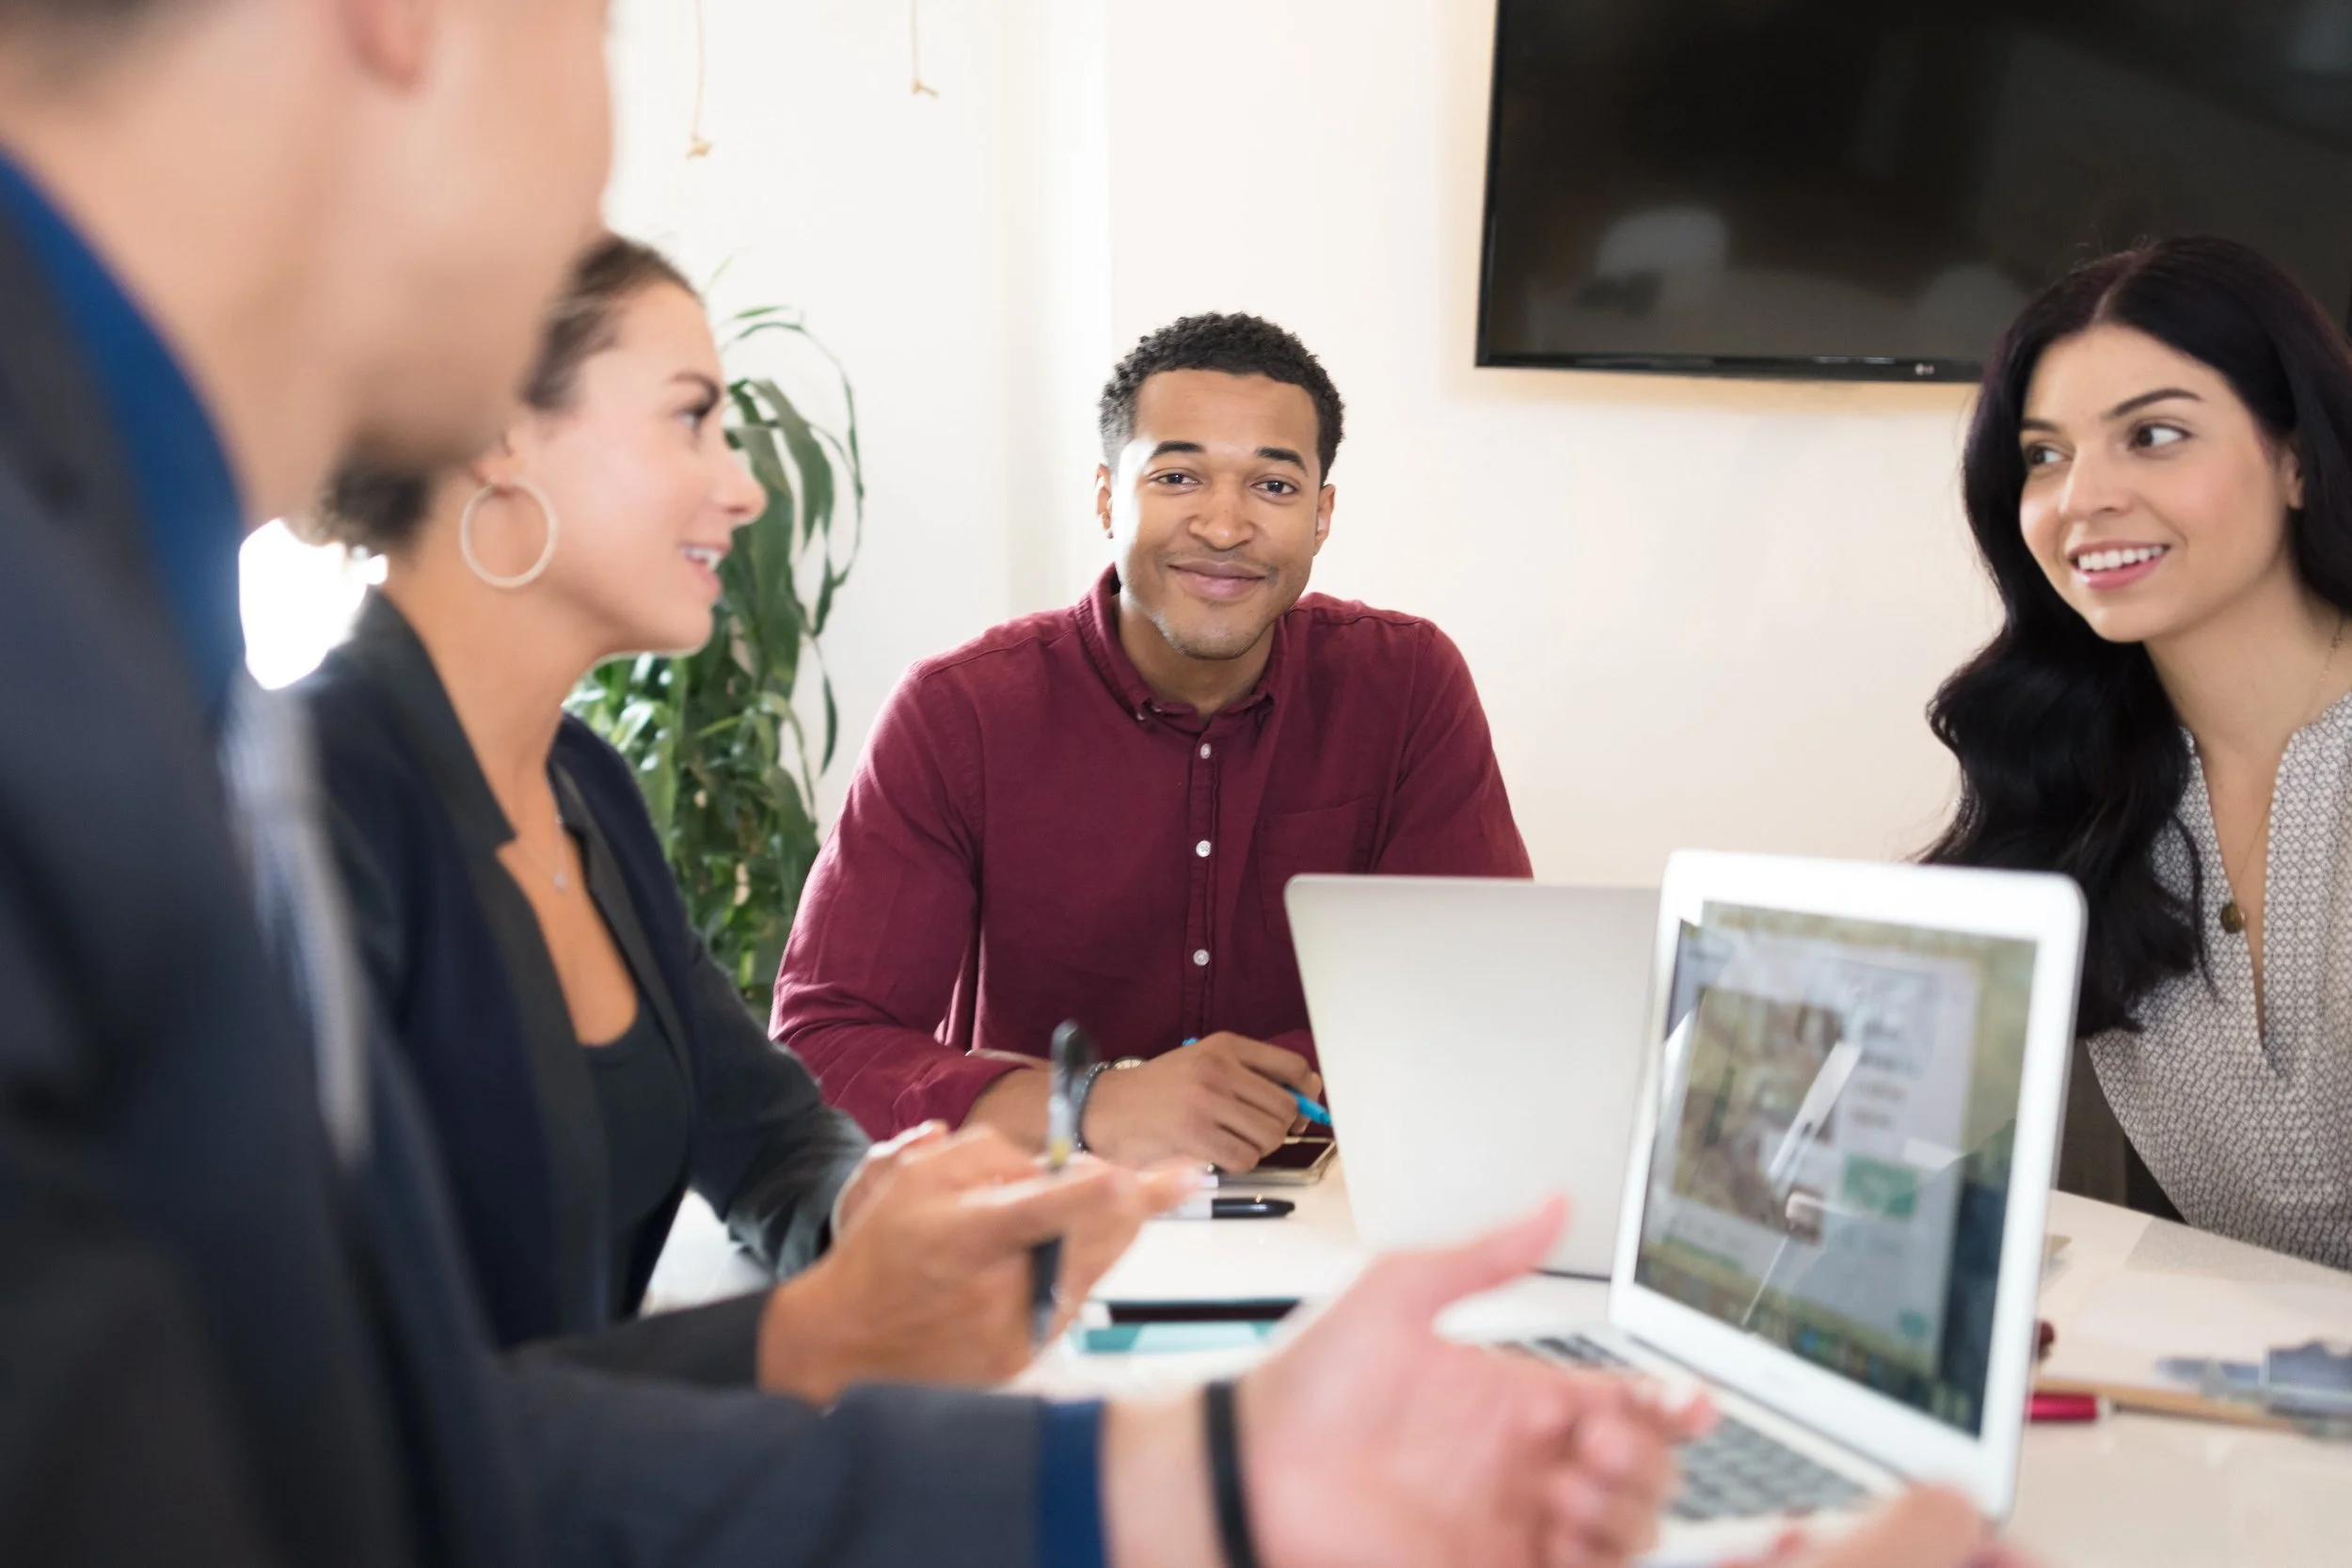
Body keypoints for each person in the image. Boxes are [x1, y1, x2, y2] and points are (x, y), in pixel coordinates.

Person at [0, 1, 1703, 1564]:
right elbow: (313, 1466)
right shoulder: (205, 737)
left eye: (1276, 481)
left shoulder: (546, 774)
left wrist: (1139, 1426)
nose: (747, 495)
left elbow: (367, 1431)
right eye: (693, 421)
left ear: (1327, 511)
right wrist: (1080, 1321)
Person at [304, 233, 1191, 1397]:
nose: (747, 485)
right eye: (690, 420)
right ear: (497, 431)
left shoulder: (587, 787)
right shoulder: (313, 801)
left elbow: (766, 1131)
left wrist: (867, 1200)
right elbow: (329, 1395)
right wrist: (806, 1340)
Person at [775, 314, 1533, 1168]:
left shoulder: (1406, 684)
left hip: (1334, 1198)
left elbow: (1475, 992)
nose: (1223, 524)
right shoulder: (960, 712)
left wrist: (1239, 1093)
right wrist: (1093, 1100)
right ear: (1107, 498)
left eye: (1273, 487)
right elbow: (822, 1042)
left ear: (1322, 516)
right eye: (1178, 476)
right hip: (1038, 1205)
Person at [1926, 235, 2352, 1271]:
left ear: (2296, 456)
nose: (2081, 499)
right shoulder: (2068, 791)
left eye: (2153, 435)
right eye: (2044, 454)